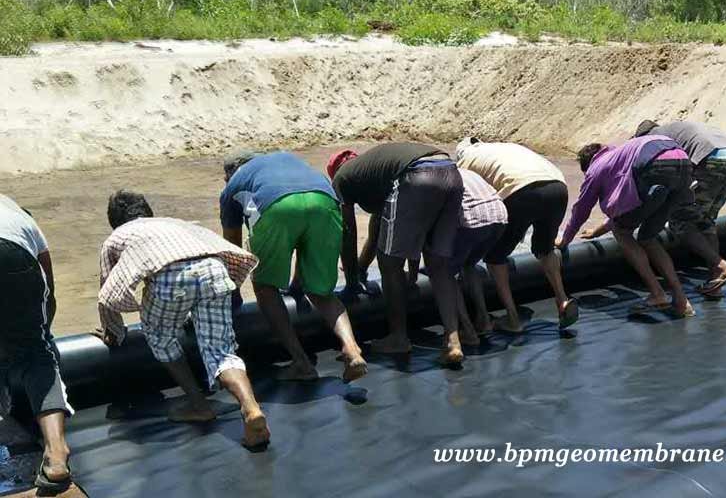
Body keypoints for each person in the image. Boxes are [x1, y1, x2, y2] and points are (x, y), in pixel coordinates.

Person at [96, 191, 270, 449]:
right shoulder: (175, 223)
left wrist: (113, 332)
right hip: (215, 272)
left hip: (171, 279)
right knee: (221, 352)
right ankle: (250, 407)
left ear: (115, 221)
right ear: (148, 211)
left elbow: (109, 290)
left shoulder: (117, 237)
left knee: (159, 335)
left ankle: (199, 405)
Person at [220, 151, 367, 383]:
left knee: (265, 287)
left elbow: (233, 251)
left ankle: (301, 363)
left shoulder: (233, 186)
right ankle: (352, 348)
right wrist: (298, 283)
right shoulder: (284, 159)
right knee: (322, 293)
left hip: (278, 206)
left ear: (228, 176)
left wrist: (234, 296)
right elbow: (303, 237)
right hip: (325, 201)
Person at [327, 144, 467, 366]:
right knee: (438, 265)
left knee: (390, 263)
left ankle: (398, 337)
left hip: (417, 175)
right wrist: (361, 268)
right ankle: (453, 340)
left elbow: (347, 232)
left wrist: (352, 282)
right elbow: (379, 233)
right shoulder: (376, 172)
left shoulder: (341, 179)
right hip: (451, 172)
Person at [557, 136, 696, 318]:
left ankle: (657, 293)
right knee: (647, 237)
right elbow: (627, 211)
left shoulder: (596, 168)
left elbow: (582, 210)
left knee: (622, 233)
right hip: (682, 163)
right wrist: (597, 231)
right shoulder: (619, 157)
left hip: (654, 165)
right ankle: (681, 301)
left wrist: (566, 238)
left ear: (587, 165)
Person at [455, 138, 578, 333]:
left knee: (495, 258)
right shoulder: (504, 147)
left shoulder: (465, 162)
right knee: (545, 249)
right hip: (558, 186)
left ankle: (512, 319)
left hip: (522, 189)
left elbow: (477, 202)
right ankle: (562, 299)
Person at [0, 194, 73, 492]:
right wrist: (38, 337)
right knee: (36, 355)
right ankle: (56, 455)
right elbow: (48, 290)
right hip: (14, 255)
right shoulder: (20, 217)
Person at [633, 121, 726, 297]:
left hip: (709, 159)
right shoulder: (674, 129)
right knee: (706, 221)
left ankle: (721, 266)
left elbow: (668, 175)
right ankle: (715, 283)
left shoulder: (654, 139)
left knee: (679, 221)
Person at [449, 168, 507, 340]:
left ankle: (467, 329)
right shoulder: (467, 171)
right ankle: (484, 320)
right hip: (499, 215)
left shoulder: (434, 176)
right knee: (468, 265)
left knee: (446, 273)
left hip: (473, 218)